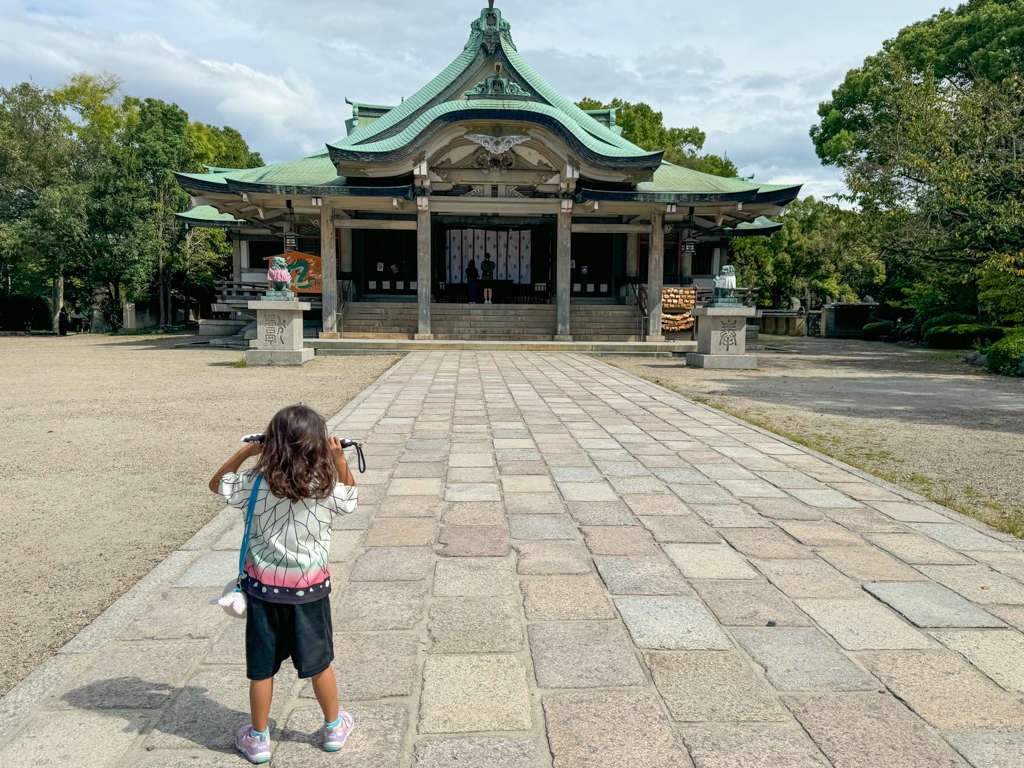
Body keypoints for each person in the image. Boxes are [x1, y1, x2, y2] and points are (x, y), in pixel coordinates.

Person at [209, 405, 358, 763]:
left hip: (263, 591)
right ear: (316, 445)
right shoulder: (324, 486)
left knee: (262, 669)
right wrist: (338, 459)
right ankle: (333, 728)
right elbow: (351, 500)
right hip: (310, 591)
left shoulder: (256, 483)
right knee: (319, 664)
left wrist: (248, 450)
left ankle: (258, 739)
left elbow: (217, 484)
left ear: (270, 444)